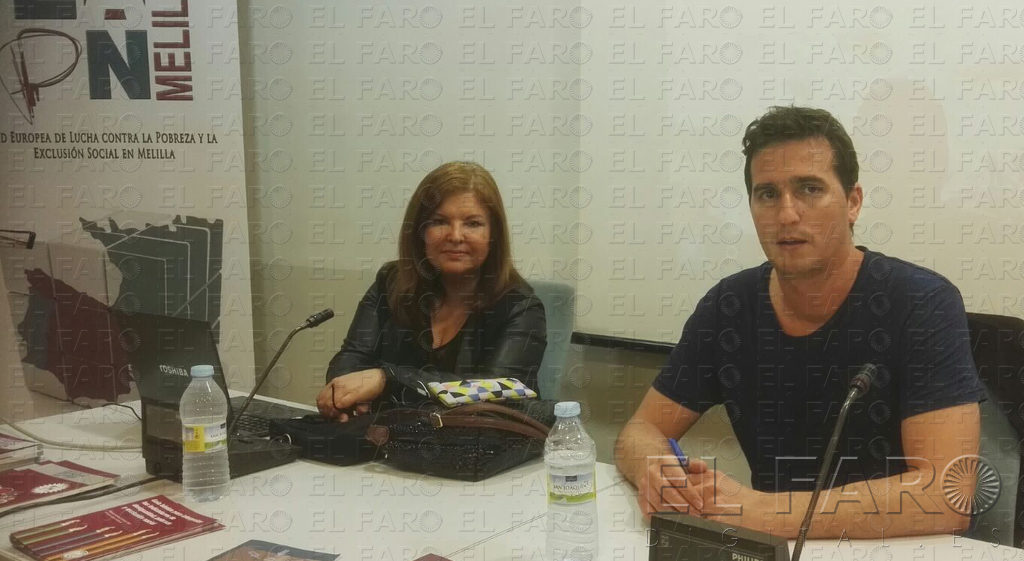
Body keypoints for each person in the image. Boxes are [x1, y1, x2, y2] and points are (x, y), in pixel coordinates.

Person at [615, 106, 985, 538]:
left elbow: (947, 495)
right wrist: (654, 469)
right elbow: (640, 430)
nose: (787, 214)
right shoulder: (729, 306)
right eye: (767, 194)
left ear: (852, 202)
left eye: (810, 189)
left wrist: (761, 511)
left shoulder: (922, 303)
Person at [316, 161, 547, 421]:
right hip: (385, 437)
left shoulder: (521, 308)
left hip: (476, 442)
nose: (455, 236)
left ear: (493, 235)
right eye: (439, 221)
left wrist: (388, 380)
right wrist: (342, 396)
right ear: (419, 232)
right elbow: (351, 358)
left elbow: (493, 395)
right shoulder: (390, 281)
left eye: (472, 223)